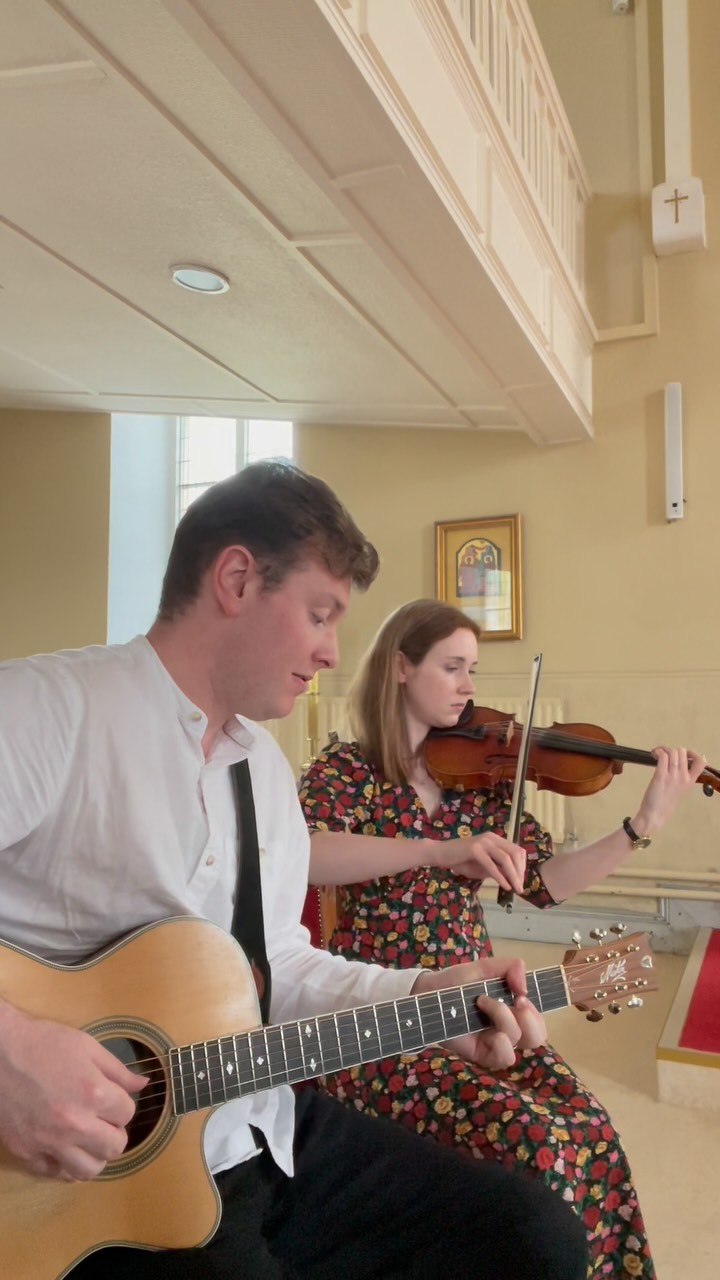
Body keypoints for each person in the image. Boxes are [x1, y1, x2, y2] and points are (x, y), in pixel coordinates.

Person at [0, 465, 588, 1280]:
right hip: (88, 1181)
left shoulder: (263, 773)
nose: (332, 651)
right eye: (320, 614)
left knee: (531, 1234)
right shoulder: (46, 710)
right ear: (237, 579)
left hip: (258, 1127)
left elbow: (279, 969)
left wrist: (421, 995)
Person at [299, 598, 707, 1280]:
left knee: (591, 1133)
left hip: (481, 1005)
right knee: (535, 1144)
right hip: (380, 1016)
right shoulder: (347, 771)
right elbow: (309, 855)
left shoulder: (480, 784)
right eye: (452, 667)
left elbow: (546, 883)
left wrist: (641, 825)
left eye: (473, 670)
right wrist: (433, 850)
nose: (468, 686)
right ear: (401, 667)